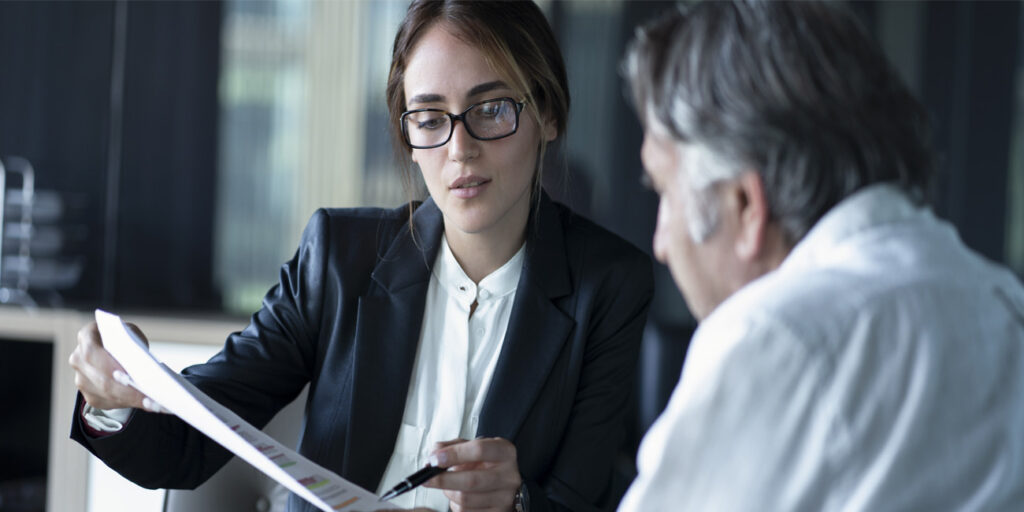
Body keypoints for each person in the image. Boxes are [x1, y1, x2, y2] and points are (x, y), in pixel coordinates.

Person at [68, 2, 654, 511]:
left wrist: (516, 502)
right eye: (429, 119)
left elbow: (587, 499)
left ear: (547, 114)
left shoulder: (607, 285)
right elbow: (187, 445)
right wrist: (108, 398)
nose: (460, 148)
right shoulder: (338, 260)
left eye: (492, 109)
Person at [618, 1, 1024, 510]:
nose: (660, 241)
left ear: (745, 206)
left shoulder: (772, 336)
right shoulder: (1004, 304)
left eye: (665, 194)